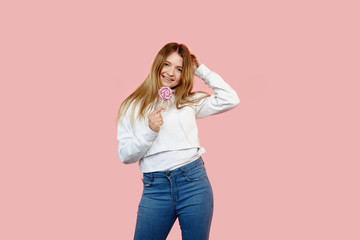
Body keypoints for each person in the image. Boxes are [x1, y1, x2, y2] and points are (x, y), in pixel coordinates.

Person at [117, 42, 239, 240]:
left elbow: (231, 99)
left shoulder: (188, 102)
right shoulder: (131, 106)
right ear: (157, 64)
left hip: (193, 183)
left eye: (179, 69)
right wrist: (149, 131)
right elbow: (125, 156)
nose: (171, 73)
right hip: (155, 189)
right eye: (166, 64)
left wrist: (201, 71)